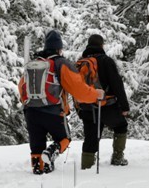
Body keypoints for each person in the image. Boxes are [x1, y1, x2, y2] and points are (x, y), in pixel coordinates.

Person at [18, 29, 103, 174]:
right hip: (53, 111)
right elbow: (79, 89)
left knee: (36, 146)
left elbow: (22, 86)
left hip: (31, 111)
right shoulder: (60, 63)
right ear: (59, 48)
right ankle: (51, 152)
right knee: (64, 138)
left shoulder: (34, 64)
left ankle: (39, 169)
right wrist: (96, 94)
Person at [77, 33, 131, 169]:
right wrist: (124, 106)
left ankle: (87, 166)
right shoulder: (106, 61)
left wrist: (78, 108)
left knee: (91, 137)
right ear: (102, 45)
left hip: (86, 106)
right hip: (106, 105)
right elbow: (117, 84)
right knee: (121, 126)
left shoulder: (81, 62)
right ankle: (117, 158)